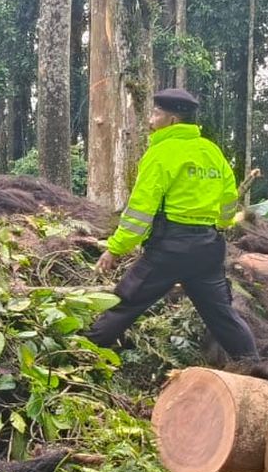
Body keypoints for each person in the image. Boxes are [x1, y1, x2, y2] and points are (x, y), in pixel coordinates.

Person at [84, 88, 258, 361]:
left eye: (156, 114)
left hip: (170, 248)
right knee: (223, 317)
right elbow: (229, 201)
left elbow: (140, 211)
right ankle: (256, 367)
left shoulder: (161, 154)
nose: (150, 121)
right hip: (209, 248)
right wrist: (220, 224)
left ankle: (83, 354)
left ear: (173, 120)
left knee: (126, 303)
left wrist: (115, 249)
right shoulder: (212, 152)